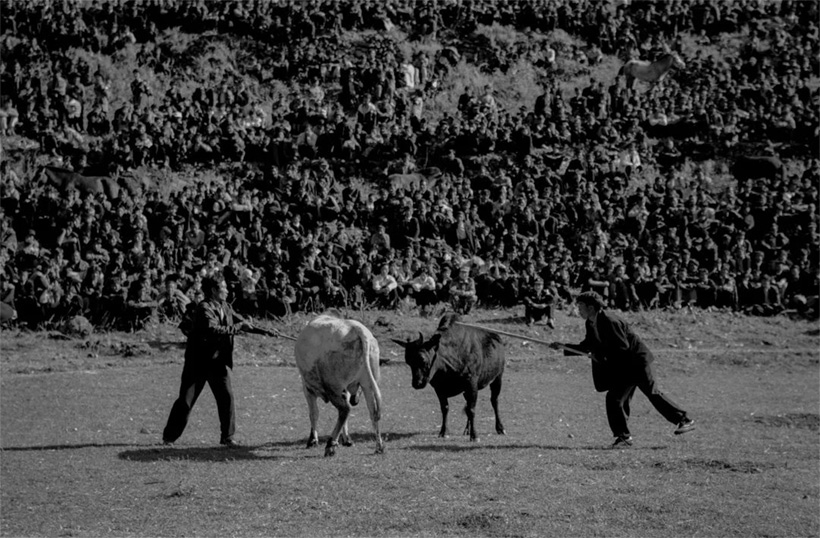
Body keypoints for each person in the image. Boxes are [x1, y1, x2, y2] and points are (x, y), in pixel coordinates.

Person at [549, 291, 695, 448]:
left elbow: (621, 348)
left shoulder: (610, 320)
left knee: (651, 393)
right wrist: (563, 346)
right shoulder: (591, 322)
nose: (578, 310)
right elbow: (588, 346)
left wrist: (600, 356)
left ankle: (684, 420)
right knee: (615, 399)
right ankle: (623, 438)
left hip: (637, 362)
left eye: (580, 306)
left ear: (591, 307)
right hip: (624, 366)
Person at [162, 275, 252, 448]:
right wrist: (240, 328)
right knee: (186, 400)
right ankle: (169, 437)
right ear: (213, 290)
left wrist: (265, 331)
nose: (227, 290)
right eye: (224, 287)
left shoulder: (225, 306)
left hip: (216, 361)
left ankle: (227, 437)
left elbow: (240, 321)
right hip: (198, 362)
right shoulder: (203, 308)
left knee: (226, 398)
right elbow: (214, 329)